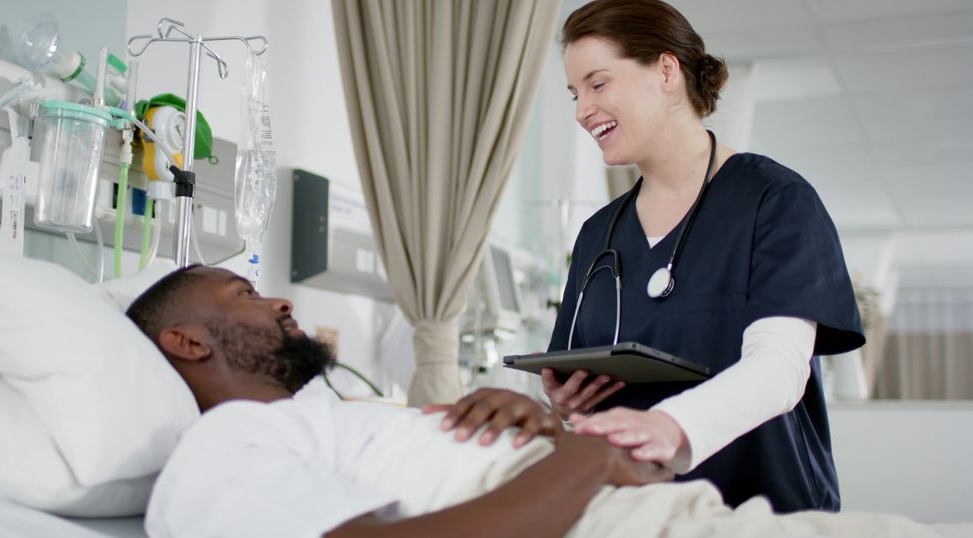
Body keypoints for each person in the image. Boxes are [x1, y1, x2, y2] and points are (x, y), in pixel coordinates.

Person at [127, 266, 959, 538]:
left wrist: (531, 423)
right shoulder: (224, 447)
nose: (278, 302)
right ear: (187, 343)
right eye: (242, 294)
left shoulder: (325, 417)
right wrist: (583, 456)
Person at [543, 0, 865, 514]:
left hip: (762, 513)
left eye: (598, 84)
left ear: (666, 71)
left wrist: (670, 427)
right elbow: (575, 375)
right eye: (574, 93)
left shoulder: (775, 201)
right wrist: (562, 403)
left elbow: (780, 367)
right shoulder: (597, 234)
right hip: (633, 512)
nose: (582, 110)